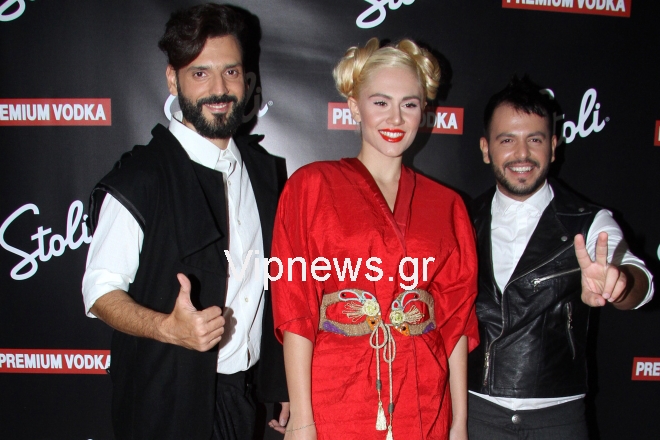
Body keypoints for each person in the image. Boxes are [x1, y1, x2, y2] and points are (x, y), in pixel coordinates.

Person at [81, 4, 288, 439]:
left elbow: (268, 285)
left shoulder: (264, 173)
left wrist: (279, 381)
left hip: (240, 400)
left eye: (231, 72)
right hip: (163, 406)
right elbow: (99, 291)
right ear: (173, 80)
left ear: (247, 79)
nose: (219, 89)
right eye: (200, 73)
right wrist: (168, 329)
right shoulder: (141, 176)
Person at [270, 38, 479, 440]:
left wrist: (459, 424)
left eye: (409, 104)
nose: (395, 118)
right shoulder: (311, 186)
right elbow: (295, 309)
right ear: (354, 106)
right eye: (381, 102)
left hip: (423, 399)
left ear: (424, 110)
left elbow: (456, 322)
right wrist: (302, 420)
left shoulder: (447, 205)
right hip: (335, 398)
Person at [467, 76, 655, 439]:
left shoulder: (589, 221)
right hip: (477, 416)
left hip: (558, 421)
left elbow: (639, 280)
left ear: (553, 147)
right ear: (486, 148)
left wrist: (620, 283)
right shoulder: (460, 220)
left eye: (535, 139)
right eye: (507, 140)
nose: (522, 154)